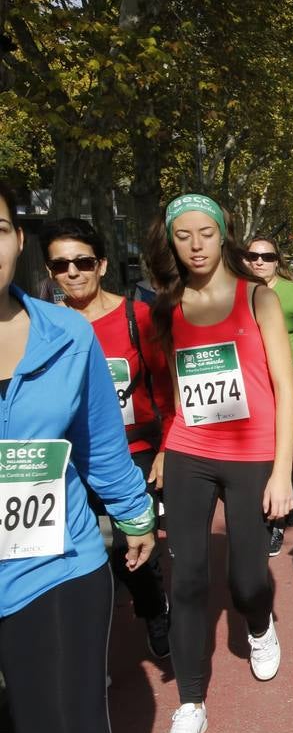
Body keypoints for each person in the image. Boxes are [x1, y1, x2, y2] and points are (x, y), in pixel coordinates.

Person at [0, 184, 155, 733]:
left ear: (17, 240)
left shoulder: (64, 333)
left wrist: (135, 514)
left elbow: (99, 442)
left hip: (53, 562)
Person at [143, 193, 293, 733]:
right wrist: (165, 445)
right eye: (183, 236)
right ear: (171, 242)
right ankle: (190, 704)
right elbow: (177, 390)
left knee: (246, 580)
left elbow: (285, 388)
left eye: (205, 233)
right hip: (190, 449)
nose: (196, 245)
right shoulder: (168, 306)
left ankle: (259, 623)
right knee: (183, 581)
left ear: (223, 232)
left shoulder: (258, 297)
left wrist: (283, 473)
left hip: (253, 455)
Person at [41, 217, 172, 658]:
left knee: (133, 547)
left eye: (82, 262)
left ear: (101, 265)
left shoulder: (137, 317)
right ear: (50, 272)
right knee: (72, 554)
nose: (72, 273)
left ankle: (155, 611)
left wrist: (166, 447)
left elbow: (168, 388)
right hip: (66, 460)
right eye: (61, 266)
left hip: (131, 451)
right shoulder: (42, 326)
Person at [243, 235, 293, 553]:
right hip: (252, 384)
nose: (259, 262)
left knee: (276, 447)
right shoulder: (235, 294)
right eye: (253, 256)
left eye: (267, 257)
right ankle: (286, 503)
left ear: (278, 261)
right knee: (263, 449)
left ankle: (274, 523)